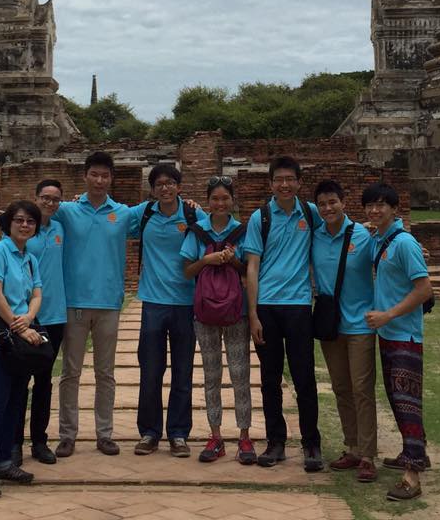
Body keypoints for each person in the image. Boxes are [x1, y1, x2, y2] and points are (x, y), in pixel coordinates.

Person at [243, 155, 323, 472]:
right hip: (267, 306)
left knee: (304, 377)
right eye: (279, 180)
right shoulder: (261, 217)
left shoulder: (310, 213)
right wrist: (252, 314)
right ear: (271, 183)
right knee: (269, 379)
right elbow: (252, 266)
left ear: (299, 183)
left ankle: (311, 443)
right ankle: (276, 442)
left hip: (300, 305)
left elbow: (334, 234)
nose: (285, 185)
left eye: (290, 179)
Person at [51, 151, 134, 457]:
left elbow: (160, 212)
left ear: (111, 179)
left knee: (105, 373)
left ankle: (104, 433)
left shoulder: (123, 213)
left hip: (109, 303)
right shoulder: (69, 210)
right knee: (70, 372)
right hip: (74, 303)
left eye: (105, 176)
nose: (99, 181)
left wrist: (188, 205)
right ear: (85, 176)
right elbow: (39, 215)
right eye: (94, 175)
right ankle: (67, 434)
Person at [0, 199, 45, 499]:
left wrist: (29, 317)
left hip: (20, 338)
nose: (25, 225)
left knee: (16, 400)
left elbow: (37, 293)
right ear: (8, 223)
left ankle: (3, 461)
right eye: (19, 220)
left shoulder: (29, 258)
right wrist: (21, 325)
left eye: (30, 221)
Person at [363, 183, 433, 502]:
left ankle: (413, 475)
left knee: (408, 403)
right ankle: (412, 452)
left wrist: (389, 315)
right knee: (397, 399)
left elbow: (424, 289)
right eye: (370, 205)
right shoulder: (381, 238)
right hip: (389, 335)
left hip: (404, 333)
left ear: (394, 208)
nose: (375, 210)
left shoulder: (404, 243)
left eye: (381, 205)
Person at [181, 175, 255, 465]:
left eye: (225, 198)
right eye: (215, 199)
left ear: (232, 201)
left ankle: (245, 436)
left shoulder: (243, 231)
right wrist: (208, 261)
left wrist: (231, 260)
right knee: (211, 376)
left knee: (240, 375)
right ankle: (215, 436)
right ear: (208, 202)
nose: (220, 203)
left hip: (236, 312)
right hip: (205, 313)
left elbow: (249, 268)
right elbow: (187, 270)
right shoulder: (197, 231)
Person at [311, 180, 379, 482]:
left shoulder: (364, 236)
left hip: (360, 324)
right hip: (331, 324)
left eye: (333, 202)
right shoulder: (314, 237)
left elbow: (388, 253)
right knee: (341, 388)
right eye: (322, 204)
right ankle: (352, 446)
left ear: (343, 202)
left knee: (362, 389)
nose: (328, 208)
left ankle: (367, 454)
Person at [131, 163, 197, 458]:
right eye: (159, 184)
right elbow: (109, 220)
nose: (165, 188)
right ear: (152, 189)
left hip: (186, 302)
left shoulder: (194, 215)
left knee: (183, 372)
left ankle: (179, 433)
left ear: (179, 187)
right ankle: (149, 432)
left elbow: (221, 231)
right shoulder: (144, 214)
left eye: (171, 183)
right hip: (154, 302)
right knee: (151, 371)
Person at [12, 179, 66, 466]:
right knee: (20, 381)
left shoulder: (60, 228)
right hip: (25, 316)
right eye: (46, 198)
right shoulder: (24, 231)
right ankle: (14, 443)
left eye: (56, 199)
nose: (50, 203)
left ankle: (40, 441)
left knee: (44, 381)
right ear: (36, 197)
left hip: (54, 314)